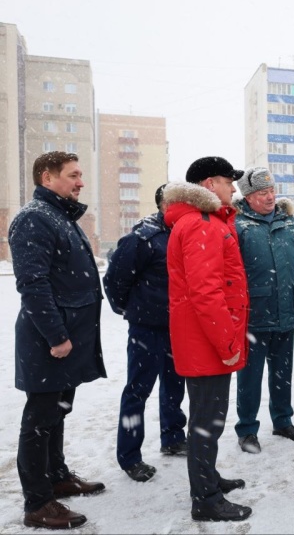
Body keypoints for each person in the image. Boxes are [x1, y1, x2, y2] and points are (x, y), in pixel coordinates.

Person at [9, 151, 106, 530]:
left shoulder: (59, 215)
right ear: (47, 178)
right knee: (39, 419)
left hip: (67, 338)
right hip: (49, 341)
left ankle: (57, 476)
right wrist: (57, 336)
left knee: (57, 412)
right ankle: (38, 502)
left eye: (80, 175)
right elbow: (32, 284)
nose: (80, 182)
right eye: (73, 175)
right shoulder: (35, 218)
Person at [162, 156, 252, 522]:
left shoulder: (206, 222)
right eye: (230, 182)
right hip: (209, 343)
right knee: (206, 422)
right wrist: (228, 343)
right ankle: (206, 499)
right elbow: (207, 293)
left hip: (204, 340)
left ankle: (208, 479)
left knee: (206, 418)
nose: (234, 189)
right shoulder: (202, 225)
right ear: (211, 184)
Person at [103, 184, 187, 483]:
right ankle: (130, 457)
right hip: (147, 329)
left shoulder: (184, 231)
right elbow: (114, 280)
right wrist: (133, 310)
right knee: (138, 390)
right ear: (166, 204)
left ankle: (173, 437)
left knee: (175, 385)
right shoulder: (143, 237)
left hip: (177, 327)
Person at [233, 167, 294, 452]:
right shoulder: (238, 226)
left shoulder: (290, 224)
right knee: (250, 377)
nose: (270, 197)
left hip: (286, 310)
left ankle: (283, 421)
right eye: (262, 193)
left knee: (282, 373)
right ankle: (247, 429)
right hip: (254, 314)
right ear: (248, 196)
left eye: (272, 191)